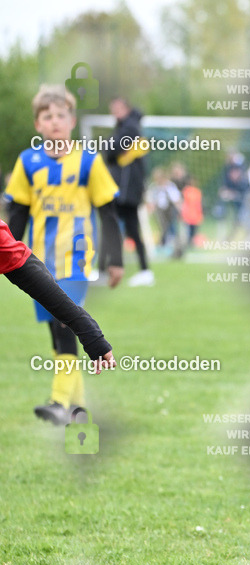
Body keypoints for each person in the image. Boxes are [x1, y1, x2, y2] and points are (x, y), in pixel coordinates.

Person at [4, 85, 124, 424]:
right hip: (38, 261)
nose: (55, 122)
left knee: (64, 322)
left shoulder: (88, 160)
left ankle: (58, 402)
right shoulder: (28, 161)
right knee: (60, 336)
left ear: (71, 120)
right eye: (47, 116)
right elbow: (17, 216)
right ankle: (79, 409)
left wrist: (115, 259)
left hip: (76, 258)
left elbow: (108, 212)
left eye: (61, 115)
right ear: (37, 124)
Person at [2, 220, 115, 373]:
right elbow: (19, 211)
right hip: (43, 253)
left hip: (71, 257)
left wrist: (85, 327)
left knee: (60, 328)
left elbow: (18, 262)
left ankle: (65, 396)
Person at [106, 96, 152, 287]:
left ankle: (143, 270)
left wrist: (113, 150)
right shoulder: (126, 127)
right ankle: (136, 269)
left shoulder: (130, 127)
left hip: (126, 191)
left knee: (121, 227)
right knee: (118, 228)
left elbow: (112, 150)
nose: (114, 113)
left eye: (117, 109)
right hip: (125, 190)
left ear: (125, 108)